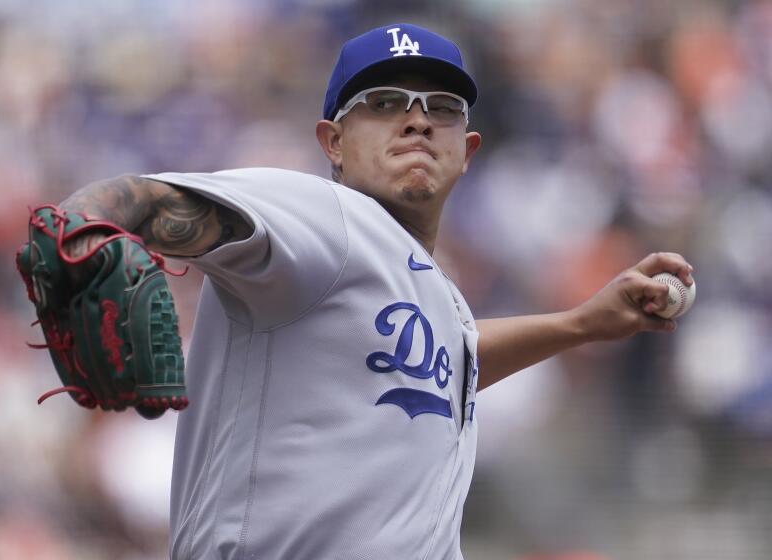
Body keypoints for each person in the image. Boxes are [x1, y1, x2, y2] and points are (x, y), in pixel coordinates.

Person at [53, 23, 693, 560]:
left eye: (441, 108)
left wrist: (580, 323)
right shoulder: (323, 215)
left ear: (466, 150)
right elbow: (146, 198)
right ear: (332, 142)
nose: (417, 121)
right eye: (384, 103)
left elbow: (457, 358)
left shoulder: (429, 290)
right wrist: (83, 227)